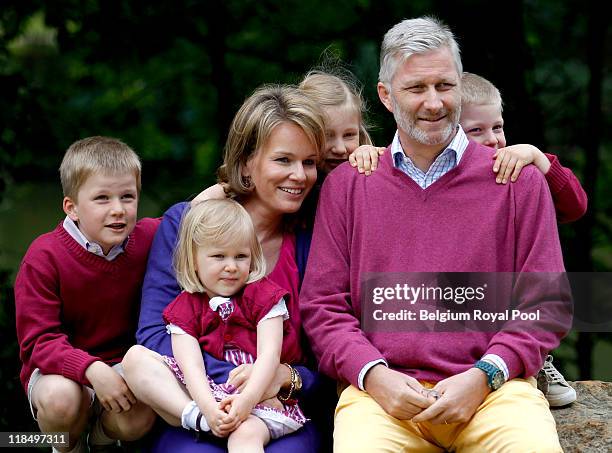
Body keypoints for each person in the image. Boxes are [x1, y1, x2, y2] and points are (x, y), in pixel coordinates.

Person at [300, 16, 570, 453]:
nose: (433, 103)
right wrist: (374, 375)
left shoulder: (517, 181)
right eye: (415, 88)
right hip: (380, 398)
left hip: (496, 395)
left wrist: (486, 376)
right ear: (386, 96)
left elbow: (547, 304)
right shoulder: (348, 186)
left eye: (445, 86)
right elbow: (323, 307)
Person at [124, 85, 329, 453]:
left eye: (309, 162)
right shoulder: (186, 225)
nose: (300, 175)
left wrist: (286, 379)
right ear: (247, 162)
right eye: (283, 160)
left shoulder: (313, 241)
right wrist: (232, 387)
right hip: (194, 405)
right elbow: (155, 334)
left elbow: (327, 355)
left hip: (280, 413)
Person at [125, 199, 308, 452]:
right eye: (219, 256)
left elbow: (270, 355)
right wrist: (210, 410)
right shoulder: (185, 307)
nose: (231, 267)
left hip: (258, 396)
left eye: (241, 256)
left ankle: (222, 422)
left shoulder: (264, 297)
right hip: (204, 400)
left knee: (244, 435)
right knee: (135, 359)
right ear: (194, 260)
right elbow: (191, 368)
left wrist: (246, 402)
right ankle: (198, 418)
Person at [14, 136, 159, 453]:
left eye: (127, 196)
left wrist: (235, 181)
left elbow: (194, 213)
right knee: (60, 400)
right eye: (102, 199)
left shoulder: (148, 238)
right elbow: (39, 341)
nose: (118, 210)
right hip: (62, 373)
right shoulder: (44, 257)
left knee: (149, 405)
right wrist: (92, 370)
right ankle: (66, 446)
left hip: (122, 367)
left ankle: (102, 440)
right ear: (72, 207)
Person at [460, 71, 587, 224]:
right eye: (476, 130)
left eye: (497, 127)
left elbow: (575, 208)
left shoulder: (511, 171)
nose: (492, 139)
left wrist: (538, 157)